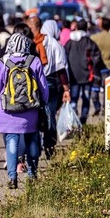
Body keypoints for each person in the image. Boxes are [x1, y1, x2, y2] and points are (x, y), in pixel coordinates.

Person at [0, 33, 48, 188]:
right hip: (31, 110)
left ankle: (13, 177)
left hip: (9, 109)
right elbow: (43, 86)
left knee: (11, 142)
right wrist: (43, 102)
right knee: (32, 141)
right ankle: (32, 173)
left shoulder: (4, 62)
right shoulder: (34, 61)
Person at [39, 19, 71, 158]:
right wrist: (66, 88)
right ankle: (49, 145)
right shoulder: (56, 44)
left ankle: (36, 144)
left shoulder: (35, 42)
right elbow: (62, 68)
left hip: (36, 82)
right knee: (50, 115)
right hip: (52, 82)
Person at [65, 19, 103, 124]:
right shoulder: (89, 42)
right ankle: (83, 120)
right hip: (87, 75)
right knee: (86, 98)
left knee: (74, 98)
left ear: (76, 27)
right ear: (86, 28)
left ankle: (73, 119)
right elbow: (97, 57)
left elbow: (64, 56)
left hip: (73, 76)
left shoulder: (69, 42)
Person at [91, 17, 110, 114]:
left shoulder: (94, 38)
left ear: (101, 25)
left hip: (96, 68)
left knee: (95, 87)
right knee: (108, 90)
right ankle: (106, 109)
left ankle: (96, 106)